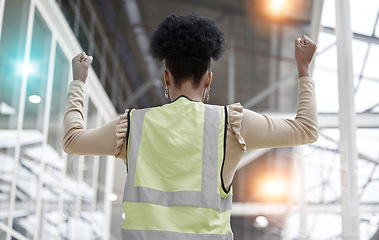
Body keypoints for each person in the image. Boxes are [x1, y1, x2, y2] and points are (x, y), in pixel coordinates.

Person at [63, 12, 317, 240]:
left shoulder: (132, 125)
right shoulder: (231, 123)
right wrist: (303, 69)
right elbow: (306, 129)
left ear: (166, 77)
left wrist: (79, 82)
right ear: (208, 79)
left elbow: (73, 141)